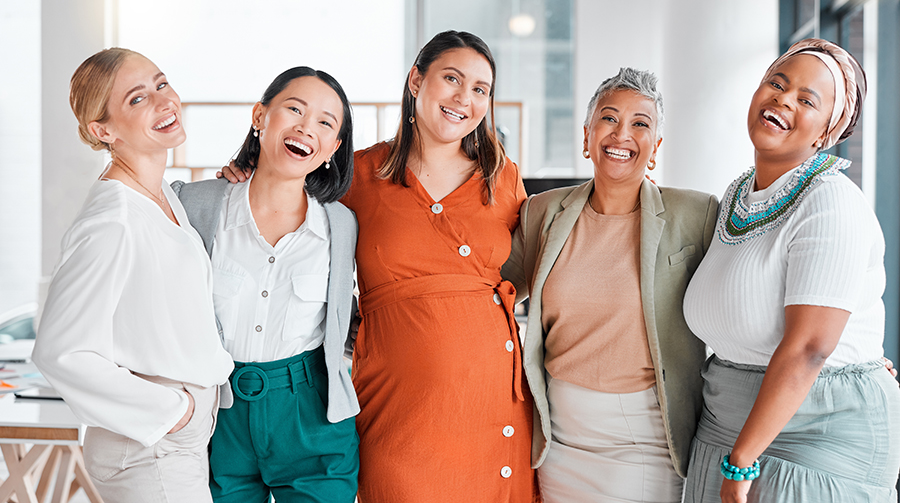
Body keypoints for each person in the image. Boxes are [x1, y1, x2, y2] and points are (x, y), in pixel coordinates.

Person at [221, 30, 539, 502]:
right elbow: (291, 233)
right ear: (416, 80)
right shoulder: (359, 176)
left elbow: (524, 270)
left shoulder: (503, 176)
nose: (463, 99)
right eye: (451, 78)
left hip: (492, 402)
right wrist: (247, 171)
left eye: (480, 89)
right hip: (396, 404)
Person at [682, 38, 900, 503]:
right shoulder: (740, 194)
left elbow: (808, 349)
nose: (783, 99)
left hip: (813, 438)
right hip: (725, 423)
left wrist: (741, 462)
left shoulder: (831, 201)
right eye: (776, 84)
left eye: (806, 99)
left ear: (827, 131)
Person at [502, 68, 718, 502]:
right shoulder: (541, 212)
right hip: (560, 439)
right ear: (586, 135)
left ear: (654, 148)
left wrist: (845, 352)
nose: (622, 134)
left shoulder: (696, 213)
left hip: (645, 441)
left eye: (640, 124)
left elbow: (745, 295)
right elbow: (490, 296)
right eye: (609, 118)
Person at [33, 48, 234, 502]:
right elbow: (61, 351)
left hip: (175, 439)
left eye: (162, 84)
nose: (164, 103)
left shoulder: (160, 192)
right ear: (102, 130)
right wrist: (173, 411)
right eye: (137, 99)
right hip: (152, 445)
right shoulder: (112, 220)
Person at [172, 67, 360, 502]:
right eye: (294, 109)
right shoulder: (193, 204)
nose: (305, 127)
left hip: (311, 414)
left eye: (325, 123)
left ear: (333, 147)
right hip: (218, 412)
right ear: (260, 116)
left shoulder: (343, 223)